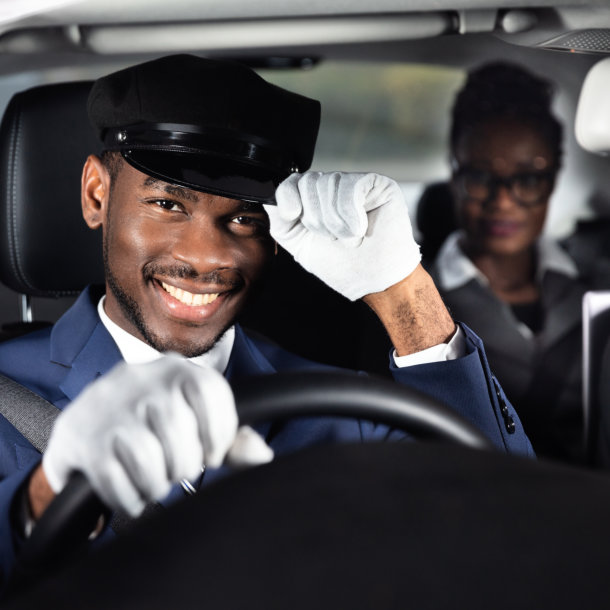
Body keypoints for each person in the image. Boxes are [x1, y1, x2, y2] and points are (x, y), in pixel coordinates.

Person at [0, 54, 532, 588]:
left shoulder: (343, 410)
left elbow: (512, 538)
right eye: (167, 203)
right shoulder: (6, 397)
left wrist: (401, 289)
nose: (206, 257)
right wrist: (47, 496)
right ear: (98, 194)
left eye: (244, 218)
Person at [431, 61, 587, 462]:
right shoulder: (412, 297)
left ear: (553, 180)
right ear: (454, 174)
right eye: (481, 177)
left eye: (529, 179)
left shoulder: (597, 279)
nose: (502, 201)